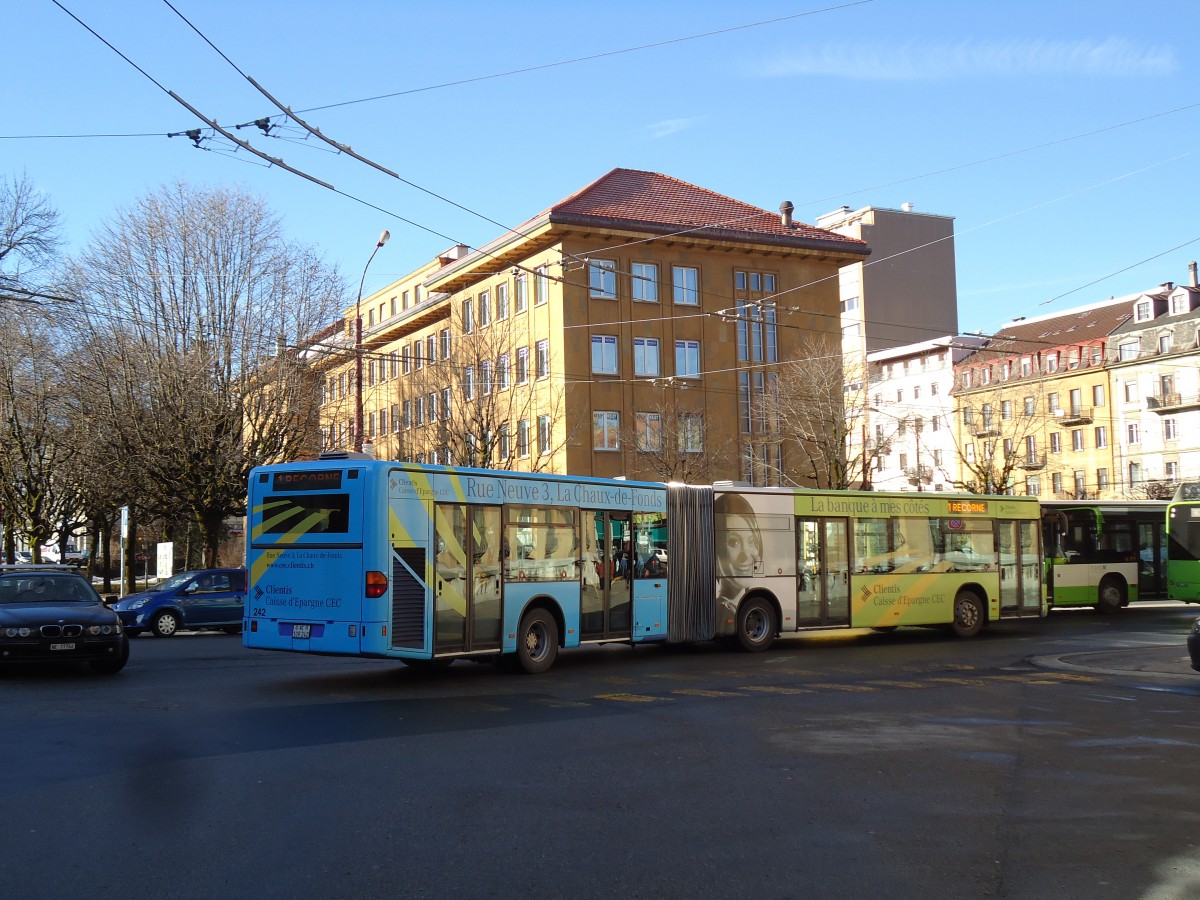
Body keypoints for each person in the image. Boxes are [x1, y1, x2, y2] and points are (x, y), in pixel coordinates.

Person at [715, 492, 763, 611]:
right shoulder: (724, 612)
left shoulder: (737, 607)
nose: (746, 555)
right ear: (716, 549)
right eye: (734, 542)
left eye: (752, 541)